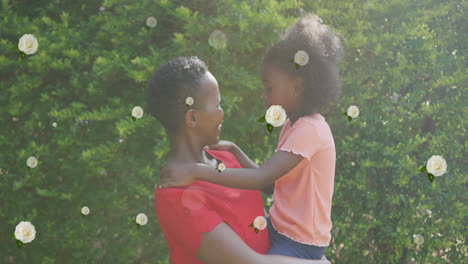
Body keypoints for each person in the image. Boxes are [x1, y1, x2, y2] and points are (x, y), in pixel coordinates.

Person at [158, 14, 344, 260]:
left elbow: (260, 178)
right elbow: (271, 186)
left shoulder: (310, 131)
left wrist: (196, 171)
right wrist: (234, 150)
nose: (265, 97)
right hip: (280, 230)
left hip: (299, 242)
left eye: (270, 88)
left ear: (297, 87)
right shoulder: (293, 125)